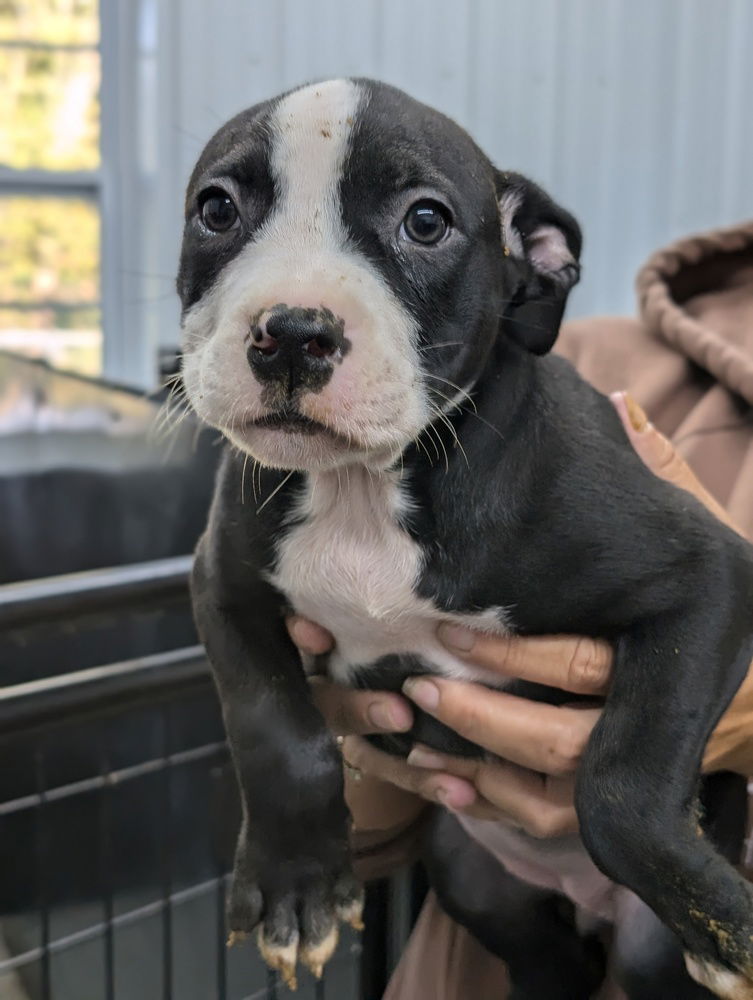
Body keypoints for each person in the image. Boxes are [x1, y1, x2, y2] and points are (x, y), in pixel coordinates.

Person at [288, 219, 753, 998]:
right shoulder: (571, 364)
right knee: (478, 891)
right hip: (478, 909)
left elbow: (711, 586)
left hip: (676, 872)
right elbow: (359, 835)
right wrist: (348, 723)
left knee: (654, 960)